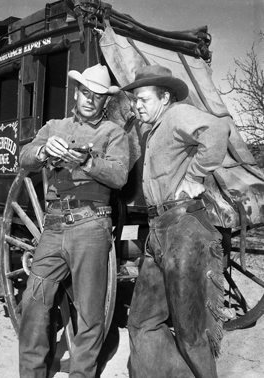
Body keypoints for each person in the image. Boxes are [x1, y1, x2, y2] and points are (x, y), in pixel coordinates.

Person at [18, 63, 129, 378]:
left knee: (89, 314)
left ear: (105, 101)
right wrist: (41, 152)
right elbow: (24, 157)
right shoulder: (55, 126)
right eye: (85, 93)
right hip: (53, 226)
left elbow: (119, 175)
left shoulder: (114, 133)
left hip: (91, 225)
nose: (90, 100)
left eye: (97, 96)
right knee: (33, 302)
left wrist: (88, 161)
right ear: (76, 92)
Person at [122, 65, 231, 378]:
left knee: (190, 330)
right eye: (134, 100)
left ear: (164, 96)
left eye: (143, 98)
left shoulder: (176, 114)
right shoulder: (154, 129)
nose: (137, 105)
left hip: (184, 229)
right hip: (159, 229)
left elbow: (217, 130)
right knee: (141, 322)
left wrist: (195, 177)